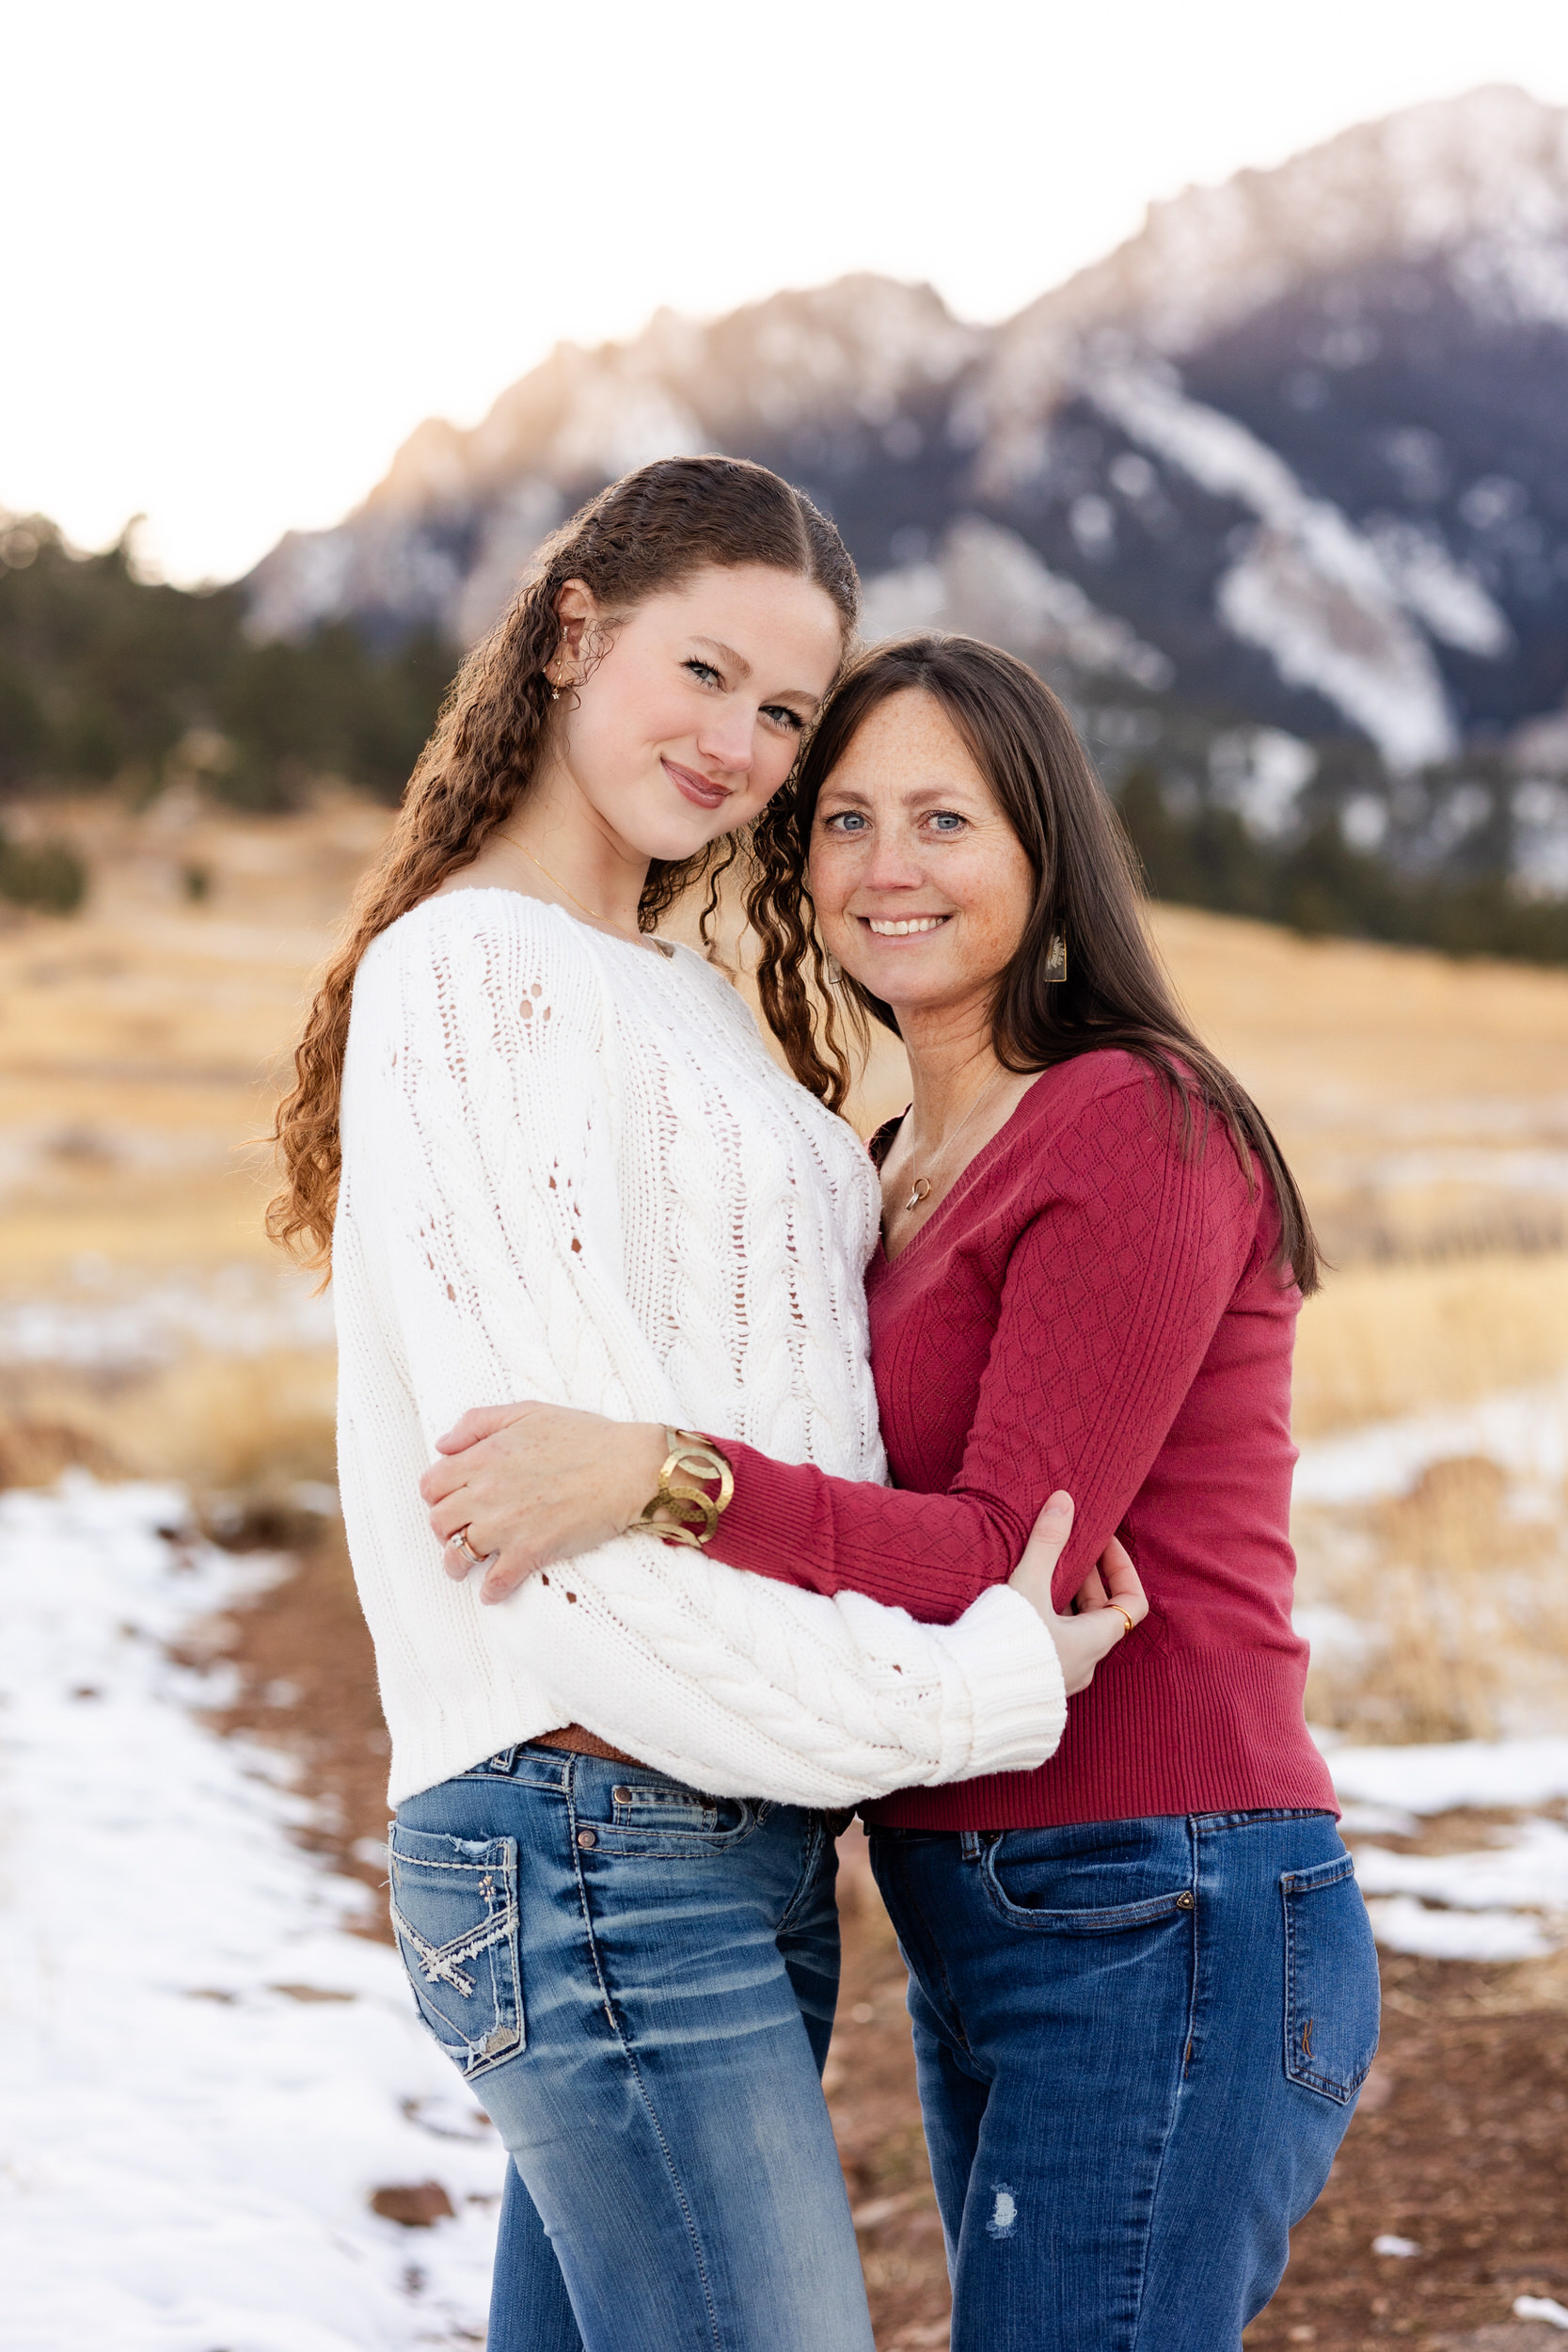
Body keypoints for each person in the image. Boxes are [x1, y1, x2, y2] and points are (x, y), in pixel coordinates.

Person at [428, 633, 1383, 2352]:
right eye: (848, 818)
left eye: (943, 820)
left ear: (1044, 850)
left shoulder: (1130, 1123)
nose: (887, 867)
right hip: (994, 1899)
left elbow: (984, 1563)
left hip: (1165, 1892)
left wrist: (661, 1478)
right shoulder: (890, 1164)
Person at [270, 469, 1141, 2352]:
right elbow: (569, 1557)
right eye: (704, 670)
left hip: (724, 1832)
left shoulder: (687, 997)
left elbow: (743, 1446)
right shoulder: (468, 974)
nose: (736, 743)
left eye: (782, 713)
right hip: (594, 1833)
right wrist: (983, 1686)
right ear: (572, 630)